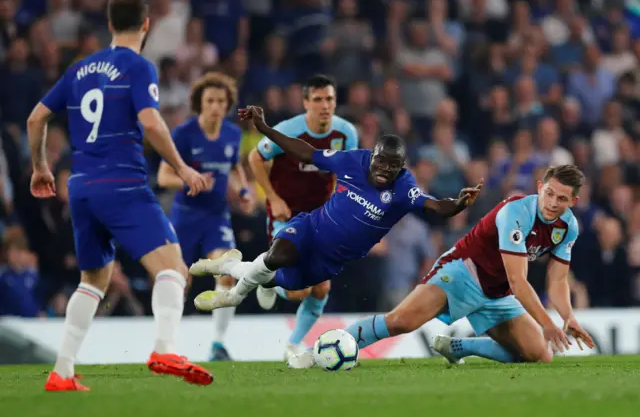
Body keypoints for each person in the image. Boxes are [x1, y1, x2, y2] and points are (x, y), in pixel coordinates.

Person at [27, 0, 213, 391]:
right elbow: (151, 122)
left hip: (81, 188)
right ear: (146, 25)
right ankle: (165, 347)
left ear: (110, 25)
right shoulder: (139, 66)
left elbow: (36, 117)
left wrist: (41, 167)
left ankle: (62, 371)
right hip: (123, 183)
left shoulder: (79, 69)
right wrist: (180, 166)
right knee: (173, 269)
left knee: (93, 279)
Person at [188, 106, 482, 333]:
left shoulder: (404, 186)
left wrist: (457, 203)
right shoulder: (353, 160)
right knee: (278, 254)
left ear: (402, 167)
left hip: (329, 260)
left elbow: (434, 207)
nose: (384, 170)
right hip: (310, 228)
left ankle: (228, 266)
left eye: (392, 167)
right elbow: (304, 151)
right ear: (373, 155)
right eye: (380, 162)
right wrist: (265, 127)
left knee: (283, 283)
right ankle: (234, 296)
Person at [296, 165, 596, 368]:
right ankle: (317, 351)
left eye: (562, 199)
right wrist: (547, 322)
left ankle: (459, 347)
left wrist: (567, 316)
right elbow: (519, 281)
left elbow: (558, 280)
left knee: (540, 356)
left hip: (497, 293)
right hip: (463, 273)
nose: (553, 203)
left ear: (574, 201)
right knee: (401, 321)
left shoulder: (568, 226)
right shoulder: (515, 212)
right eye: (549, 193)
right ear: (540, 186)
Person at [247, 74, 358, 359]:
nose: (325, 105)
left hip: (321, 218)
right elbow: (255, 158)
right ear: (305, 102)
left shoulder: (346, 134)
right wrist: (272, 198)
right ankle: (269, 279)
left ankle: (293, 345)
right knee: (299, 290)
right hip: (286, 214)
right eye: (318, 99)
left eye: (330, 99)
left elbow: (347, 172)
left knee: (321, 287)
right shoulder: (288, 131)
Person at [157, 72, 254, 361]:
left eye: (221, 101)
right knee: (179, 281)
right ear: (200, 103)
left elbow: (234, 167)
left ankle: (218, 344)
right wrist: (192, 180)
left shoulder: (232, 134)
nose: (215, 106)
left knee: (227, 269)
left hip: (217, 216)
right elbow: (163, 177)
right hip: (186, 216)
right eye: (210, 100)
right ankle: (167, 344)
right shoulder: (183, 134)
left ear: (227, 105)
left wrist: (244, 190)